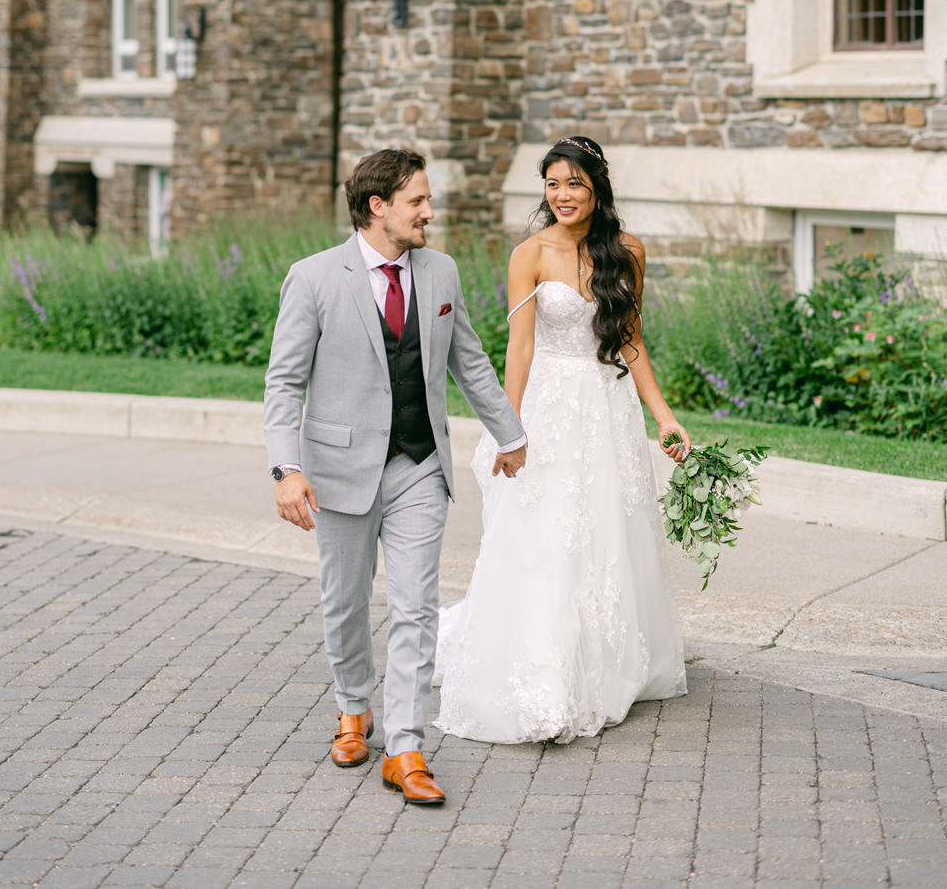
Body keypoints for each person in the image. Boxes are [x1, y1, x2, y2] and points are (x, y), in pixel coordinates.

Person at [264, 148, 526, 805]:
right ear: (378, 206)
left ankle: (405, 746)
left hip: (419, 465)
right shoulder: (314, 277)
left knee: (414, 608)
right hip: (339, 470)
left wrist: (511, 433)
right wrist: (286, 468)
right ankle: (354, 709)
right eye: (417, 201)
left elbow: (469, 360)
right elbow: (284, 381)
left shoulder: (441, 272)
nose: (429, 212)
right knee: (345, 603)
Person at [434, 135, 690, 745]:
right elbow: (518, 347)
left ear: (596, 186)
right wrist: (508, 425)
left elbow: (629, 338)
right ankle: (544, 670)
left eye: (573, 182)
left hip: (607, 407)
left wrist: (664, 415)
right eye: (552, 184)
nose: (562, 195)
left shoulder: (627, 251)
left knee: (605, 530)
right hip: (549, 408)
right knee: (546, 531)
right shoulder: (531, 253)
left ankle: (604, 658)